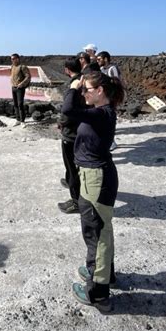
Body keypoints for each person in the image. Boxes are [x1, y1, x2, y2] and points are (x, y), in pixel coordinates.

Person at [62, 71, 125, 311]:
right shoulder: (99, 112)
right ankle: (103, 274)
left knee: (96, 235)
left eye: (86, 89)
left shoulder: (101, 114)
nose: (82, 93)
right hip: (94, 176)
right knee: (100, 231)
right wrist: (80, 89)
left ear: (100, 92)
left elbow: (68, 109)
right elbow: (72, 113)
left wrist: (73, 87)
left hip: (96, 179)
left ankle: (97, 293)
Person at [57, 59, 82, 215]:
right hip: (80, 131)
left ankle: (76, 202)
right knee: (74, 168)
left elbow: (67, 110)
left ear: (67, 70)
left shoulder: (74, 86)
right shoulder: (84, 81)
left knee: (72, 168)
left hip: (71, 134)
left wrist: (61, 123)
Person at [10, 53, 31, 122]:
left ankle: (22, 121)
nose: (12, 60)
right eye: (11, 59)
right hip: (13, 88)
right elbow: (12, 76)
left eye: (13, 59)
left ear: (17, 59)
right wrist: (12, 83)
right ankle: (18, 120)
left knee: (20, 105)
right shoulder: (12, 66)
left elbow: (28, 76)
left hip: (20, 89)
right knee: (15, 104)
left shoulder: (22, 67)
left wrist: (21, 84)